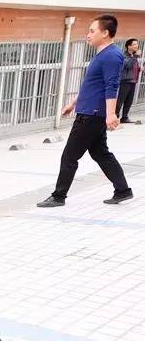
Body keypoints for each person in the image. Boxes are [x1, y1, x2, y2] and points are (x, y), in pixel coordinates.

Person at [38, 15, 133, 208]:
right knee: (100, 153)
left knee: (69, 156)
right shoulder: (102, 54)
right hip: (90, 112)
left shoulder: (111, 56)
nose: (88, 35)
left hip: (92, 115)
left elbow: (111, 86)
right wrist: (73, 103)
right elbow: (91, 86)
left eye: (92, 31)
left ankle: (58, 196)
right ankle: (123, 190)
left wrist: (111, 114)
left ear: (105, 33)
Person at [117, 38, 140, 123]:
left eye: (137, 44)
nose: (137, 46)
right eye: (134, 44)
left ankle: (124, 117)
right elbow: (127, 65)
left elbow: (133, 67)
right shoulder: (124, 55)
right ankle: (115, 116)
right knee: (121, 100)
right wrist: (135, 56)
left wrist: (140, 69)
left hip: (133, 81)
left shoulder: (133, 56)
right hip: (125, 81)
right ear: (129, 46)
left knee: (129, 101)